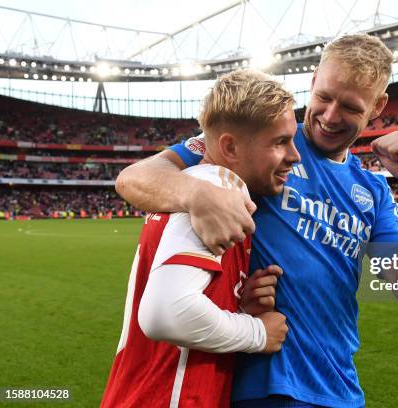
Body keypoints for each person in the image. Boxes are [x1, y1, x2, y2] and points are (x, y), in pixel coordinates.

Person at [116, 34, 398, 407]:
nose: (331, 116)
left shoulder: (373, 192)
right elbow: (133, 178)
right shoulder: (263, 140)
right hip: (260, 385)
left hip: (340, 389)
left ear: (378, 105)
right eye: (324, 98)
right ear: (313, 79)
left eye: (350, 107)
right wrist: (196, 194)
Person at [101, 69, 299, 408]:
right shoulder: (218, 188)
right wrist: (258, 333)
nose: (295, 155)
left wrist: (235, 306)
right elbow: (164, 314)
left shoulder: (187, 189)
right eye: (280, 142)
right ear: (230, 147)